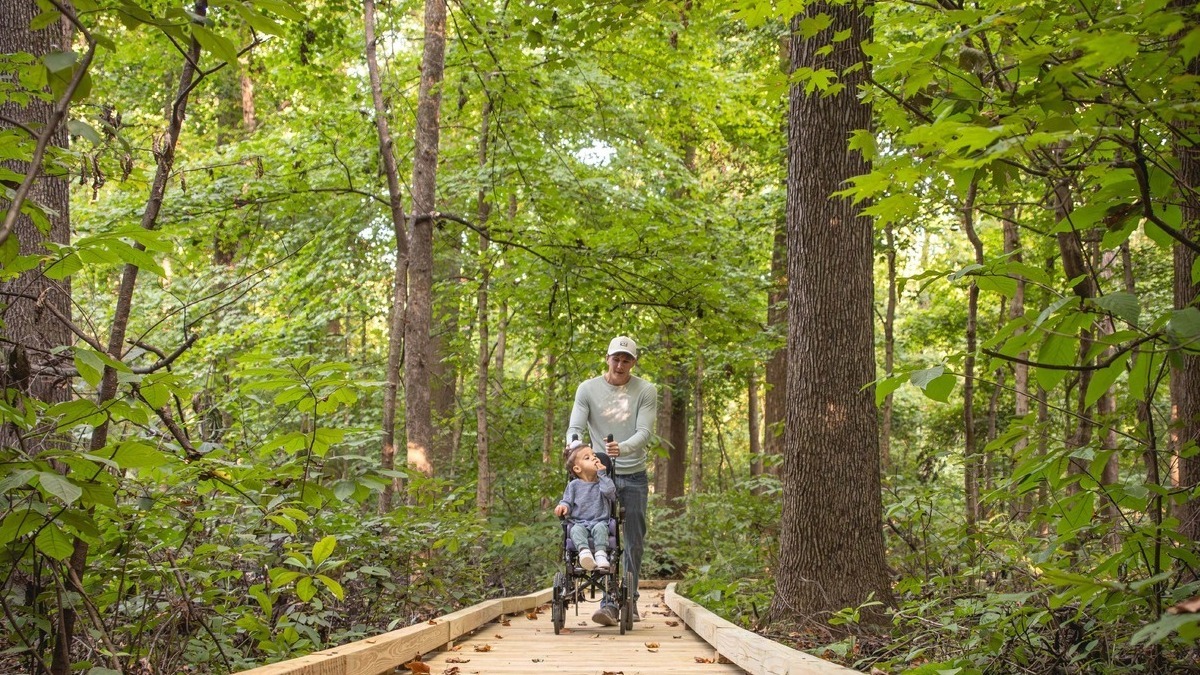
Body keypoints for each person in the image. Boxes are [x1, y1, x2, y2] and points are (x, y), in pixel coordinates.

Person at [566, 335, 656, 626]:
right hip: (598, 476)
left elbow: (644, 432)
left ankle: (629, 599)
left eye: (626, 359)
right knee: (603, 532)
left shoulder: (646, 390)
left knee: (632, 541)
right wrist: (574, 447)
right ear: (607, 358)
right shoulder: (587, 389)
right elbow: (575, 428)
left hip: (633, 474)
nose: (620, 364)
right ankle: (609, 601)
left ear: (634, 363)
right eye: (616, 358)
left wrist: (623, 447)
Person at [555, 444, 617, 571]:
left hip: (600, 521)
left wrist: (603, 475)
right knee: (575, 531)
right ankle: (584, 553)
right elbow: (567, 501)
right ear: (577, 469)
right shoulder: (574, 486)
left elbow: (611, 493)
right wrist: (563, 507)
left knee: (601, 529)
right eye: (587, 458)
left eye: (594, 455)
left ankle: (600, 554)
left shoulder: (603, 482)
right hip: (579, 522)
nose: (594, 458)